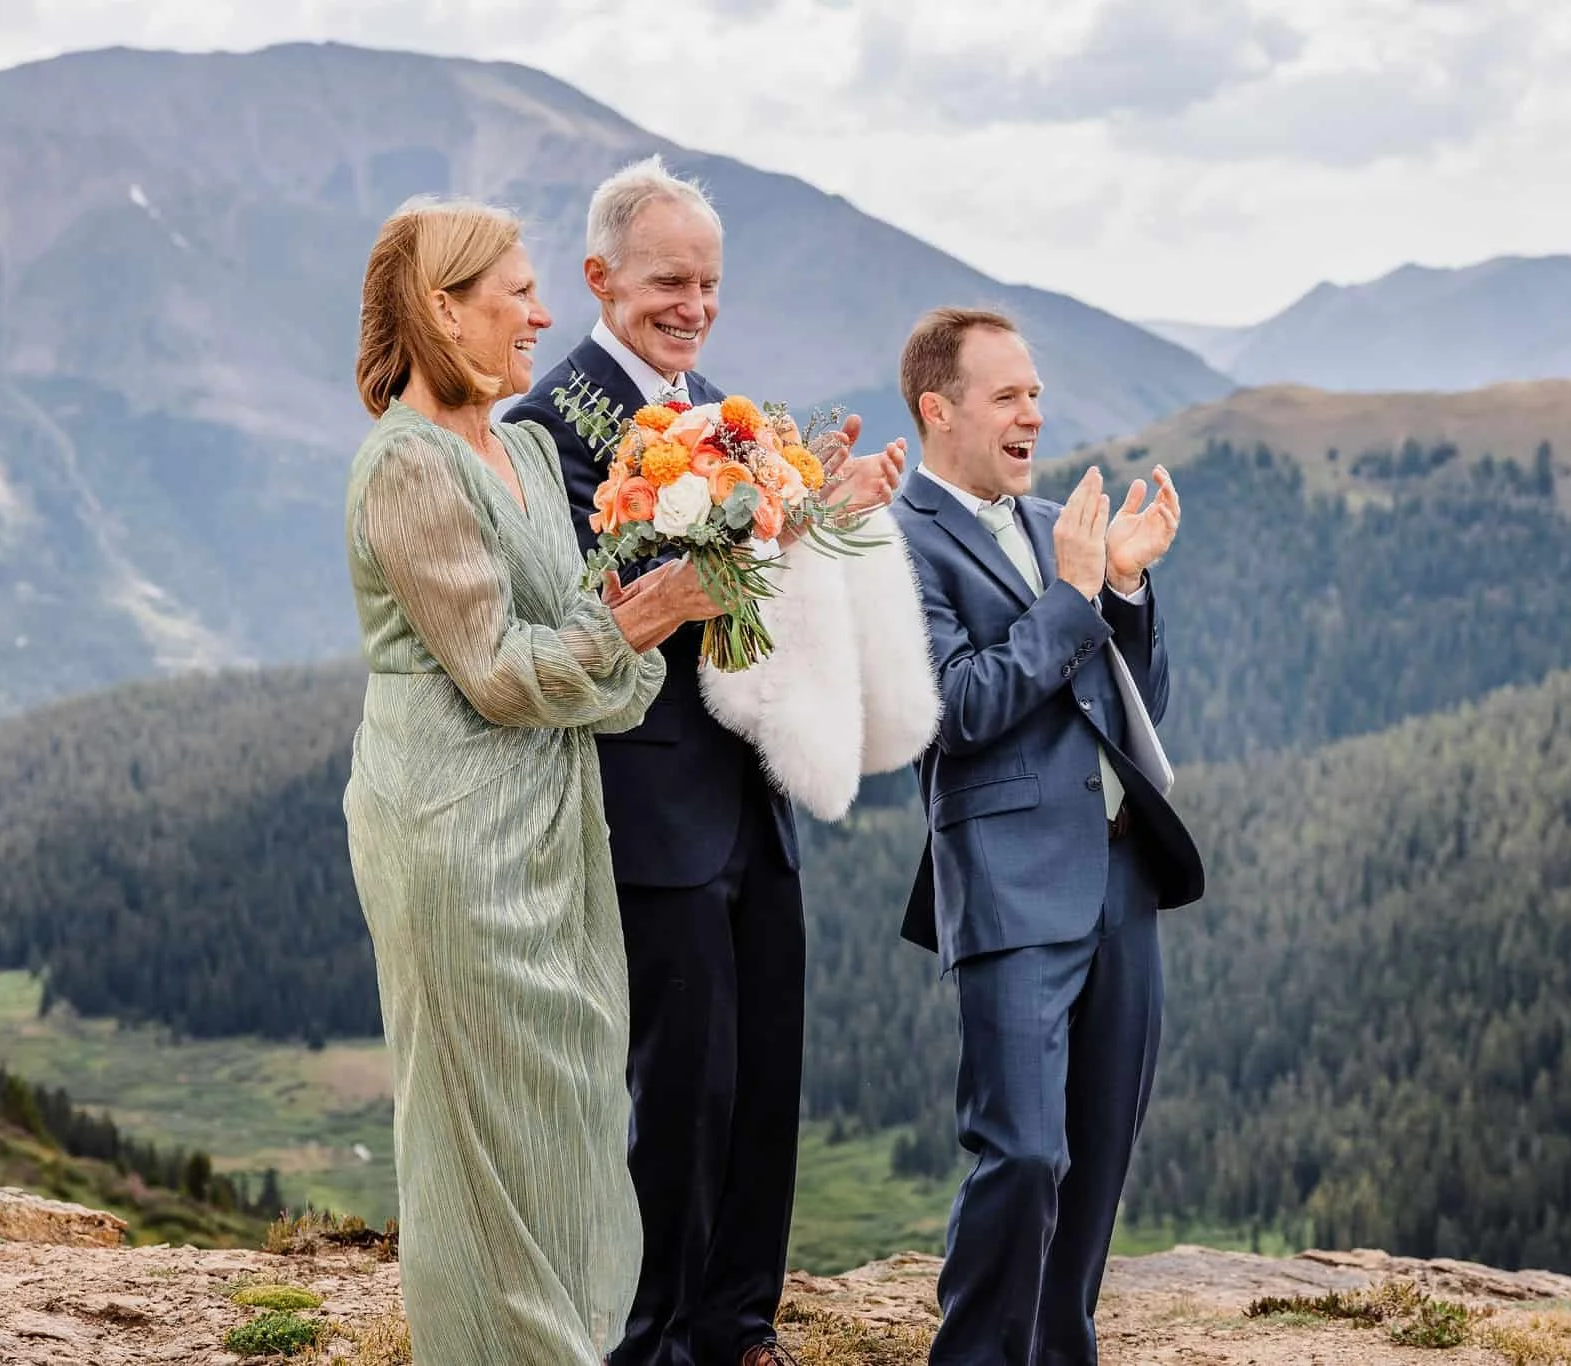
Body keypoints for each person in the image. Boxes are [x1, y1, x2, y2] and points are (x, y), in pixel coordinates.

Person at [506, 156, 906, 1366]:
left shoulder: (726, 412)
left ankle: (741, 1324)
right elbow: (579, 595)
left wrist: (821, 511)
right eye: (669, 279)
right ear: (599, 277)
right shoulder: (547, 425)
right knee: (676, 1095)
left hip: (748, 787)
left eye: (709, 283)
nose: (693, 303)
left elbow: (770, 581)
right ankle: (657, 1339)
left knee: (761, 1077)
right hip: (644, 797)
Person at [342, 196, 721, 1365]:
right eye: (518, 293)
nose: (543, 315)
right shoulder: (406, 469)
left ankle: (568, 1340)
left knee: (566, 1103)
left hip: (555, 818)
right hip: (449, 829)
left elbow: (575, 646)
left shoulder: (528, 447)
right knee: (479, 1118)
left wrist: (615, 645)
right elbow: (506, 673)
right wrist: (639, 627)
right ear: (442, 308)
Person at [889, 307, 1205, 1365]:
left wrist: (1120, 587)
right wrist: (1074, 592)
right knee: (1022, 1152)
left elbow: (1129, 701)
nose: (1033, 412)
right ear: (939, 410)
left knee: (1097, 1155)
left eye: (1034, 391)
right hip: (1009, 884)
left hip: (1119, 875)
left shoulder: (1047, 522)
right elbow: (952, 707)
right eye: (1007, 395)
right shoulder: (895, 542)